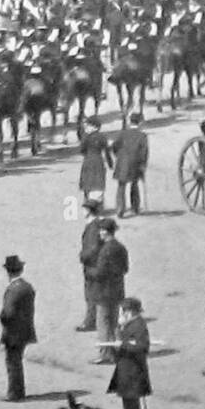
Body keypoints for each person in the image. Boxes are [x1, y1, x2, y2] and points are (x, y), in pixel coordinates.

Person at [108, 297, 151, 409]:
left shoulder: (139, 325)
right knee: (128, 405)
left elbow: (142, 346)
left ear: (129, 312)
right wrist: (119, 329)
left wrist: (124, 345)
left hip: (134, 372)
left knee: (133, 408)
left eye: (123, 311)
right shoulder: (126, 325)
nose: (120, 314)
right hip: (126, 372)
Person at [0, 255, 37, 402]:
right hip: (26, 330)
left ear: (9, 272)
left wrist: (2, 318)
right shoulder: (27, 287)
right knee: (17, 361)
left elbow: (8, 313)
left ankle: (14, 393)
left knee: (12, 362)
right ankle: (18, 391)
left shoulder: (12, 289)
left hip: (13, 332)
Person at [92, 218, 129, 365]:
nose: (100, 233)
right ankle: (117, 351)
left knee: (103, 323)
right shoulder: (121, 248)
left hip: (103, 291)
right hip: (118, 290)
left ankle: (105, 353)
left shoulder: (105, 250)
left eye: (101, 230)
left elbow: (100, 272)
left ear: (105, 232)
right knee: (115, 323)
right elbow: (126, 268)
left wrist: (91, 273)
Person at [111, 113, 148, 217]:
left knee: (121, 186)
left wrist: (118, 156)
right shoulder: (142, 135)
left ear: (130, 122)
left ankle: (120, 209)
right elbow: (144, 152)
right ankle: (135, 207)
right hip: (135, 163)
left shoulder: (122, 133)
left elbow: (114, 146)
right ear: (140, 122)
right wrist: (143, 164)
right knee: (134, 184)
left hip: (122, 162)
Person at [76, 198, 104, 332]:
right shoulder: (96, 224)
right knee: (93, 293)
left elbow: (93, 248)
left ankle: (90, 321)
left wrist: (83, 257)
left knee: (91, 294)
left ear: (88, 211)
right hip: (95, 266)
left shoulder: (93, 227)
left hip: (92, 266)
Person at [78, 116, 113, 203]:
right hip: (98, 160)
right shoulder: (102, 137)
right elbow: (107, 151)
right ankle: (98, 202)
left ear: (94, 126)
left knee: (87, 181)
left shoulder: (86, 136)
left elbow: (82, 150)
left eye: (89, 125)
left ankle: (87, 200)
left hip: (88, 160)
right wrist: (110, 164)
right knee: (98, 183)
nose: (87, 127)